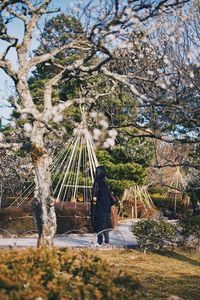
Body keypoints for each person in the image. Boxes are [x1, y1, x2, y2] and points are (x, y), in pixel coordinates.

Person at [91, 166, 116, 245]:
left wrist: (93, 205)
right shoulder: (105, 182)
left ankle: (100, 241)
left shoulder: (97, 182)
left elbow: (94, 196)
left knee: (99, 224)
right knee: (105, 224)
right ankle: (107, 240)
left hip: (99, 207)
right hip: (107, 207)